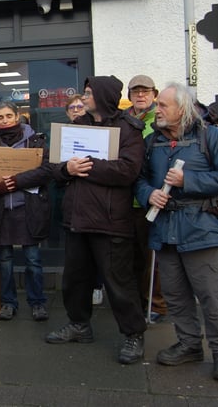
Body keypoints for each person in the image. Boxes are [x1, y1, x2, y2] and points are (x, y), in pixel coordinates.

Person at [135, 83, 218, 381]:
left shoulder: (210, 136)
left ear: (182, 110)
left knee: (212, 297)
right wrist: (149, 195)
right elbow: (140, 180)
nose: (157, 110)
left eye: (163, 106)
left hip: (202, 230)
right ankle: (189, 344)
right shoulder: (152, 141)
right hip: (165, 230)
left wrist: (187, 180)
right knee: (176, 296)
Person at [45, 76, 148, 365]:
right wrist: (67, 168)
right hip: (77, 219)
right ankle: (79, 325)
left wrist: (85, 165)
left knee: (120, 283)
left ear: (102, 96)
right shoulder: (77, 125)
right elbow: (54, 168)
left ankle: (133, 334)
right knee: (75, 280)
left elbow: (128, 171)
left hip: (111, 221)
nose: (83, 99)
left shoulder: (128, 130)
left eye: (88, 94)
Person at [0, 101, 52, 322]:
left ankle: (37, 302)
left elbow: (46, 170)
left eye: (9, 116)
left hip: (28, 209)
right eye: (0, 117)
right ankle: (8, 303)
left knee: (33, 259)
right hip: (1, 210)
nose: (5, 120)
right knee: (5, 259)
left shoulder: (35, 140)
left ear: (18, 116)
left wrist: (17, 181)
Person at [125, 75, 167, 322]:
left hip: (151, 197)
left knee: (153, 257)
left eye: (145, 91)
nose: (140, 95)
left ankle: (157, 305)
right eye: (135, 91)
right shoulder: (123, 120)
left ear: (154, 94)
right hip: (124, 199)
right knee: (131, 258)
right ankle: (137, 302)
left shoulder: (159, 120)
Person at [64, 95, 105, 307]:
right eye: (72, 107)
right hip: (69, 199)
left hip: (93, 201)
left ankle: (97, 285)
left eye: (80, 106)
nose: (76, 110)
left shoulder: (95, 131)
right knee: (76, 254)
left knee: (95, 248)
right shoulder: (63, 135)